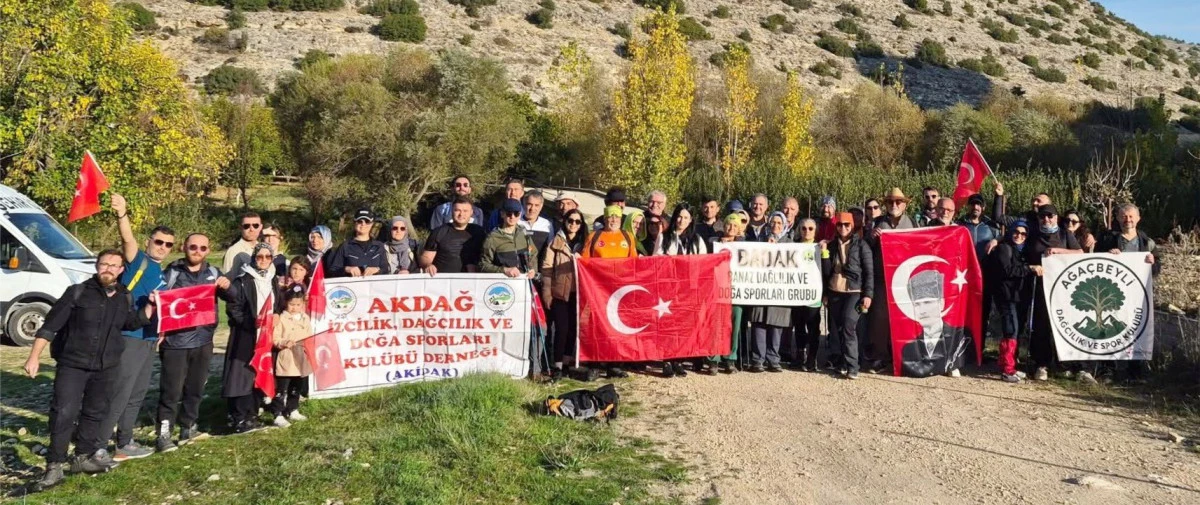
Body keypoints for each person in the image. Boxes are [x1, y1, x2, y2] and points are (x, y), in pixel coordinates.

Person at [24, 250, 155, 489]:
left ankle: (83, 458)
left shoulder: (124, 297)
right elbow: (50, 326)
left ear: (121, 270)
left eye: (114, 265)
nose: (109, 269)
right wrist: (34, 357)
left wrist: (150, 308)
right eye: (104, 264)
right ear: (96, 266)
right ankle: (54, 466)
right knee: (64, 413)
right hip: (72, 365)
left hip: (106, 367)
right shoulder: (77, 293)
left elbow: (129, 323)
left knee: (94, 413)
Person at [104, 194, 172, 462]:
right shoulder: (139, 260)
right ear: (149, 242)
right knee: (121, 392)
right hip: (129, 336)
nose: (162, 247)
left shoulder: (162, 274)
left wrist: (163, 331)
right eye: (158, 242)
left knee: (137, 392)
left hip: (149, 339)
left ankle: (124, 442)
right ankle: (97, 446)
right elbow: (127, 240)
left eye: (168, 244)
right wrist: (122, 213)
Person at [155, 233, 230, 453]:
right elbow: (159, 301)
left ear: (208, 250)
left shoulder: (213, 272)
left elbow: (232, 298)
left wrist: (227, 286)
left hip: (203, 340)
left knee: (196, 388)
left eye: (203, 248)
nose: (198, 251)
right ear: (184, 247)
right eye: (193, 247)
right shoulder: (172, 273)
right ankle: (163, 434)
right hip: (176, 342)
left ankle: (188, 426)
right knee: (171, 391)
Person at [1096, 203, 1159, 382]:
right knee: (1109, 330)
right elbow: (1095, 262)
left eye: (1131, 216)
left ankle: (1135, 371)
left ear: (1138, 219)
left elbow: (1156, 270)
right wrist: (1107, 255)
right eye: (1124, 216)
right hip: (1112, 295)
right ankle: (1107, 370)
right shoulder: (1108, 239)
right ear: (1117, 218)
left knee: (1136, 330)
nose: (1128, 220)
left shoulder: (1147, 242)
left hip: (1137, 297)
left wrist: (1153, 262)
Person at [1024, 204, 1083, 382]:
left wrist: (1058, 251)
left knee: (1066, 324)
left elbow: (1079, 252)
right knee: (1041, 326)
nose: (1046, 219)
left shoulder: (1065, 234)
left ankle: (1067, 364)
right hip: (1040, 287)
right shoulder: (1033, 234)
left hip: (1064, 289)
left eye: (1050, 216)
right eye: (1043, 216)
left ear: (1056, 217)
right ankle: (1041, 364)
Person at [223, 243, 277, 433]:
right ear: (254, 259)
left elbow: (276, 304)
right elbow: (233, 308)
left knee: (257, 372)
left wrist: (275, 315)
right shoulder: (243, 280)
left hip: (266, 334)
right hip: (246, 334)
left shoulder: (272, 279)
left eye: (267, 257)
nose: (263, 260)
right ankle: (238, 417)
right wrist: (250, 323)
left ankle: (252, 414)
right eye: (259, 257)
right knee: (241, 374)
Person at [582, 205, 639, 379]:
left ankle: (615, 364)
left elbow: (634, 262)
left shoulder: (627, 237)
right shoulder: (595, 236)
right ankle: (595, 364)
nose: (613, 220)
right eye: (610, 217)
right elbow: (585, 261)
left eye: (616, 217)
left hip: (619, 290)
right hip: (598, 290)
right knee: (597, 327)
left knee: (616, 327)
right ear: (604, 218)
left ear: (621, 219)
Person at [865, 188, 916, 373]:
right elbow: (867, 250)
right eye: (890, 202)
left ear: (904, 204)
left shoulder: (913, 223)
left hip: (905, 279)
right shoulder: (877, 223)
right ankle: (880, 356)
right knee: (880, 319)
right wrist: (872, 238)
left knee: (904, 317)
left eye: (898, 202)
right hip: (882, 279)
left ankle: (902, 355)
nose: (894, 205)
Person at [656, 203, 710, 377]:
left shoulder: (696, 240)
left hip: (688, 289)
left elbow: (703, 264)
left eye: (686, 217)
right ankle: (666, 360)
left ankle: (678, 359)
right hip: (668, 287)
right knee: (668, 324)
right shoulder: (664, 237)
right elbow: (655, 260)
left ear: (691, 220)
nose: (682, 220)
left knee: (683, 325)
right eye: (679, 216)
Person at [898, 270, 974, 378]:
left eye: (928, 302)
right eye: (917, 304)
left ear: (941, 303)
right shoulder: (909, 348)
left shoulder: (959, 338)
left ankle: (952, 366)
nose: (922, 310)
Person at [541, 209, 587, 380]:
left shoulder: (585, 243)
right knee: (561, 329)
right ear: (565, 221)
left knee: (573, 330)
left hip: (579, 293)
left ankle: (567, 362)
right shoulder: (555, 242)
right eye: (571, 220)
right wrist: (547, 293)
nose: (573, 224)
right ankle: (558, 364)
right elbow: (546, 269)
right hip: (560, 293)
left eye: (577, 221)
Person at [827, 212, 873, 379]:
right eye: (840, 225)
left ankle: (853, 365)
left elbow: (869, 272)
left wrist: (868, 294)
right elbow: (827, 271)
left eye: (847, 225)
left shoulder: (862, 245)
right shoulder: (832, 245)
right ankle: (842, 363)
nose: (843, 228)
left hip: (854, 291)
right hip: (835, 290)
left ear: (852, 226)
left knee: (849, 325)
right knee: (838, 328)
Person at [746, 212, 792, 373]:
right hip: (761, 289)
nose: (776, 226)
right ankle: (757, 359)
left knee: (776, 324)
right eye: (773, 222)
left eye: (780, 223)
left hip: (779, 292)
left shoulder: (790, 243)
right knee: (759, 323)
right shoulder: (759, 241)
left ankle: (773, 359)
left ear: (784, 225)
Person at [987, 220, 1032, 383]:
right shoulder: (1004, 248)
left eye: (1023, 234)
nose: (1019, 236)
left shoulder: (1021, 250)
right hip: (1006, 296)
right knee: (1010, 329)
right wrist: (1029, 269)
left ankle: (1007, 363)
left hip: (1017, 296)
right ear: (1010, 232)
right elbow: (1008, 270)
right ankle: (1007, 369)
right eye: (1016, 232)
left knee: (1015, 329)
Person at [958, 193, 1002, 346]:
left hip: (985, 276)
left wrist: (997, 240)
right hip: (963, 276)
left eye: (979, 204)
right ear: (968, 206)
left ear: (983, 207)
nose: (975, 207)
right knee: (963, 312)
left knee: (982, 313)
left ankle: (979, 347)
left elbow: (1005, 237)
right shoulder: (959, 225)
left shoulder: (991, 227)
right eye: (973, 204)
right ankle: (963, 347)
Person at [708, 213, 747, 374]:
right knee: (716, 326)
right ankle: (713, 360)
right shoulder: (714, 243)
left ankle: (730, 359)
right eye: (729, 225)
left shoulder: (745, 246)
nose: (731, 228)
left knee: (734, 327)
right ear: (723, 226)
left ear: (739, 230)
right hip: (717, 292)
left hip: (736, 293)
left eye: (735, 226)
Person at [788, 219, 829, 371]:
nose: (807, 231)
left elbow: (826, 272)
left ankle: (812, 358)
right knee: (798, 327)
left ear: (815, 230)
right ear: (799, 229)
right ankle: (800, 356)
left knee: (813, 328)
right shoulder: (793, 247)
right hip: (797, 294)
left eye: (810, 228)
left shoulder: (819, 247)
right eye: (804, 228)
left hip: (814, 295)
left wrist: (824, 252)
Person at [270, 290, 313, 428]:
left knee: (297, 386)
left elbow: (309, 334)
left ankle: (293, 409)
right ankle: (278, 413)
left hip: (301, 356)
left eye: (298, 304)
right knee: (281, 388)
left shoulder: (305, 318)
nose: (294, 307)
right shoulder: (281, 319)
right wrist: (283, 342)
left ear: (302, 304)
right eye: (291, 304)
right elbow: (275, 337)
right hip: (286, 357)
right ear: (286, 303)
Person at [422, 196, 487, 275]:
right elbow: (426, 257)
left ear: (471, 213)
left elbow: (487, 258)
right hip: (443, 282)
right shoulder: (439, 232)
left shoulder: (479, 232)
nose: (461, 214)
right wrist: (428, 265)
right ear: (452, 211)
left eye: (465, 211)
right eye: (457, 210)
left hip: (471, 282)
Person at [481, 199, 540, 280]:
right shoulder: (492, 238)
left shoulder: (523, 232)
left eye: (516, 214)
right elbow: (483, 265)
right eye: (509, 213)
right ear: (502, 214)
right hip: (503, 285)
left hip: (524, 282)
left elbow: (533, 253)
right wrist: (504, 270)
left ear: (520, 215)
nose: (512, 217)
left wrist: (533, 269)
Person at [326, 209, 388, 278]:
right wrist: (346, 269)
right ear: (354, 223)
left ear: (372, 224)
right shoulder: (345, 246)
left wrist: (377, 270)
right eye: (359, 221)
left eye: (367, 221)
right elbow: (333, 271)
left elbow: (385, 270)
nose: (363, 224)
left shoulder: (379, 246)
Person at [519, 191, 555, 259]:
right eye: (529, 204)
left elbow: (550, 249)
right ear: (523, 204)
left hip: (539, 267)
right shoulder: (516, 222)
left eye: (536, 205)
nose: (532, 209)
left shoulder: (547, 224)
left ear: (541, 206)